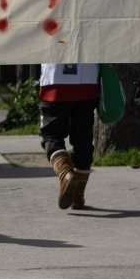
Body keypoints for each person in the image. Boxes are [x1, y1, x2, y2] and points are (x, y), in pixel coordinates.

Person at [39, 63, 97, 210]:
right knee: (83, 139)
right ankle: (77, 196)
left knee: (51, 134)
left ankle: (65, 173)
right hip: (88, 79)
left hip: (55, 79)